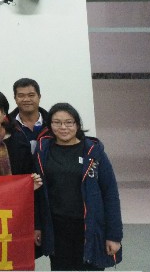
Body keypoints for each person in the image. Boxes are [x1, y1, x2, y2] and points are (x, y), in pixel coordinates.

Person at [35, 103, 123, 270]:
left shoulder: (93, 152)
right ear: (49, 125)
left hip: (89, 226)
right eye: (57, 122)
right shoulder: (42, 151)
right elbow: (38, 195)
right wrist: (38, 226)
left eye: (69, 122)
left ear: (77, 124)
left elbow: (110, 194)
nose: (63, 127)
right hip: (58, 228)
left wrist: (114, 235)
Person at [10, 77, 49, 153]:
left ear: (39, 97)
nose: (26, 99)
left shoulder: (53, 124)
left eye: (31, 95)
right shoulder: (6, 125)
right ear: (15, 98)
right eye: (21, 95)